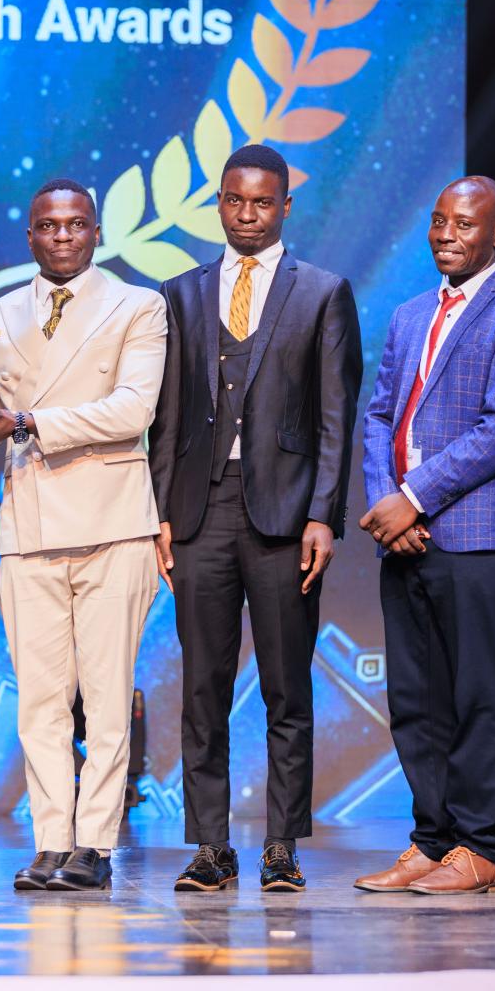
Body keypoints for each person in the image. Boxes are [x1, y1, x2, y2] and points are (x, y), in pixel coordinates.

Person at [148, 145, 362, 893]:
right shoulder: (181, 293)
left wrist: (323, 515)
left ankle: (281, 845)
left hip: (285, 515)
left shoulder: (322, 292)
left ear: (286, 207)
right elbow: (167, 416)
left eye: (262, 202)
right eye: (235, 201)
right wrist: (161, 511)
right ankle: (211, 846)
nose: (247, 215)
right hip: (200, 512)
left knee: (285, 687)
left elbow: (336, 415)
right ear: (219, 203)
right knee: (201, 688)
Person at [0, 178, 167, 892]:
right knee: (39, 700)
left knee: (105, 698)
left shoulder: (138, 306)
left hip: (113, 522)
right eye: (48, 225)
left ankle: (95, 843)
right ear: (31, 235)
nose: (62, 235)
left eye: (75, 224)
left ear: (96, 231)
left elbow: (132, 410)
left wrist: (25, 422)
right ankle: (51, 841)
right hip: (30, 523)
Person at [355, 176, 495, 896]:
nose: (446, 234)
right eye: (439, 220)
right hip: (403, 534)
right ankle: (431, 841)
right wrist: (387, 500)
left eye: (464, 224)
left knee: (476, 696)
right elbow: (380, 416)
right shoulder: (411, 314)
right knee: (415, 699)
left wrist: (412, 499)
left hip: (474, 533)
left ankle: (479, 848)